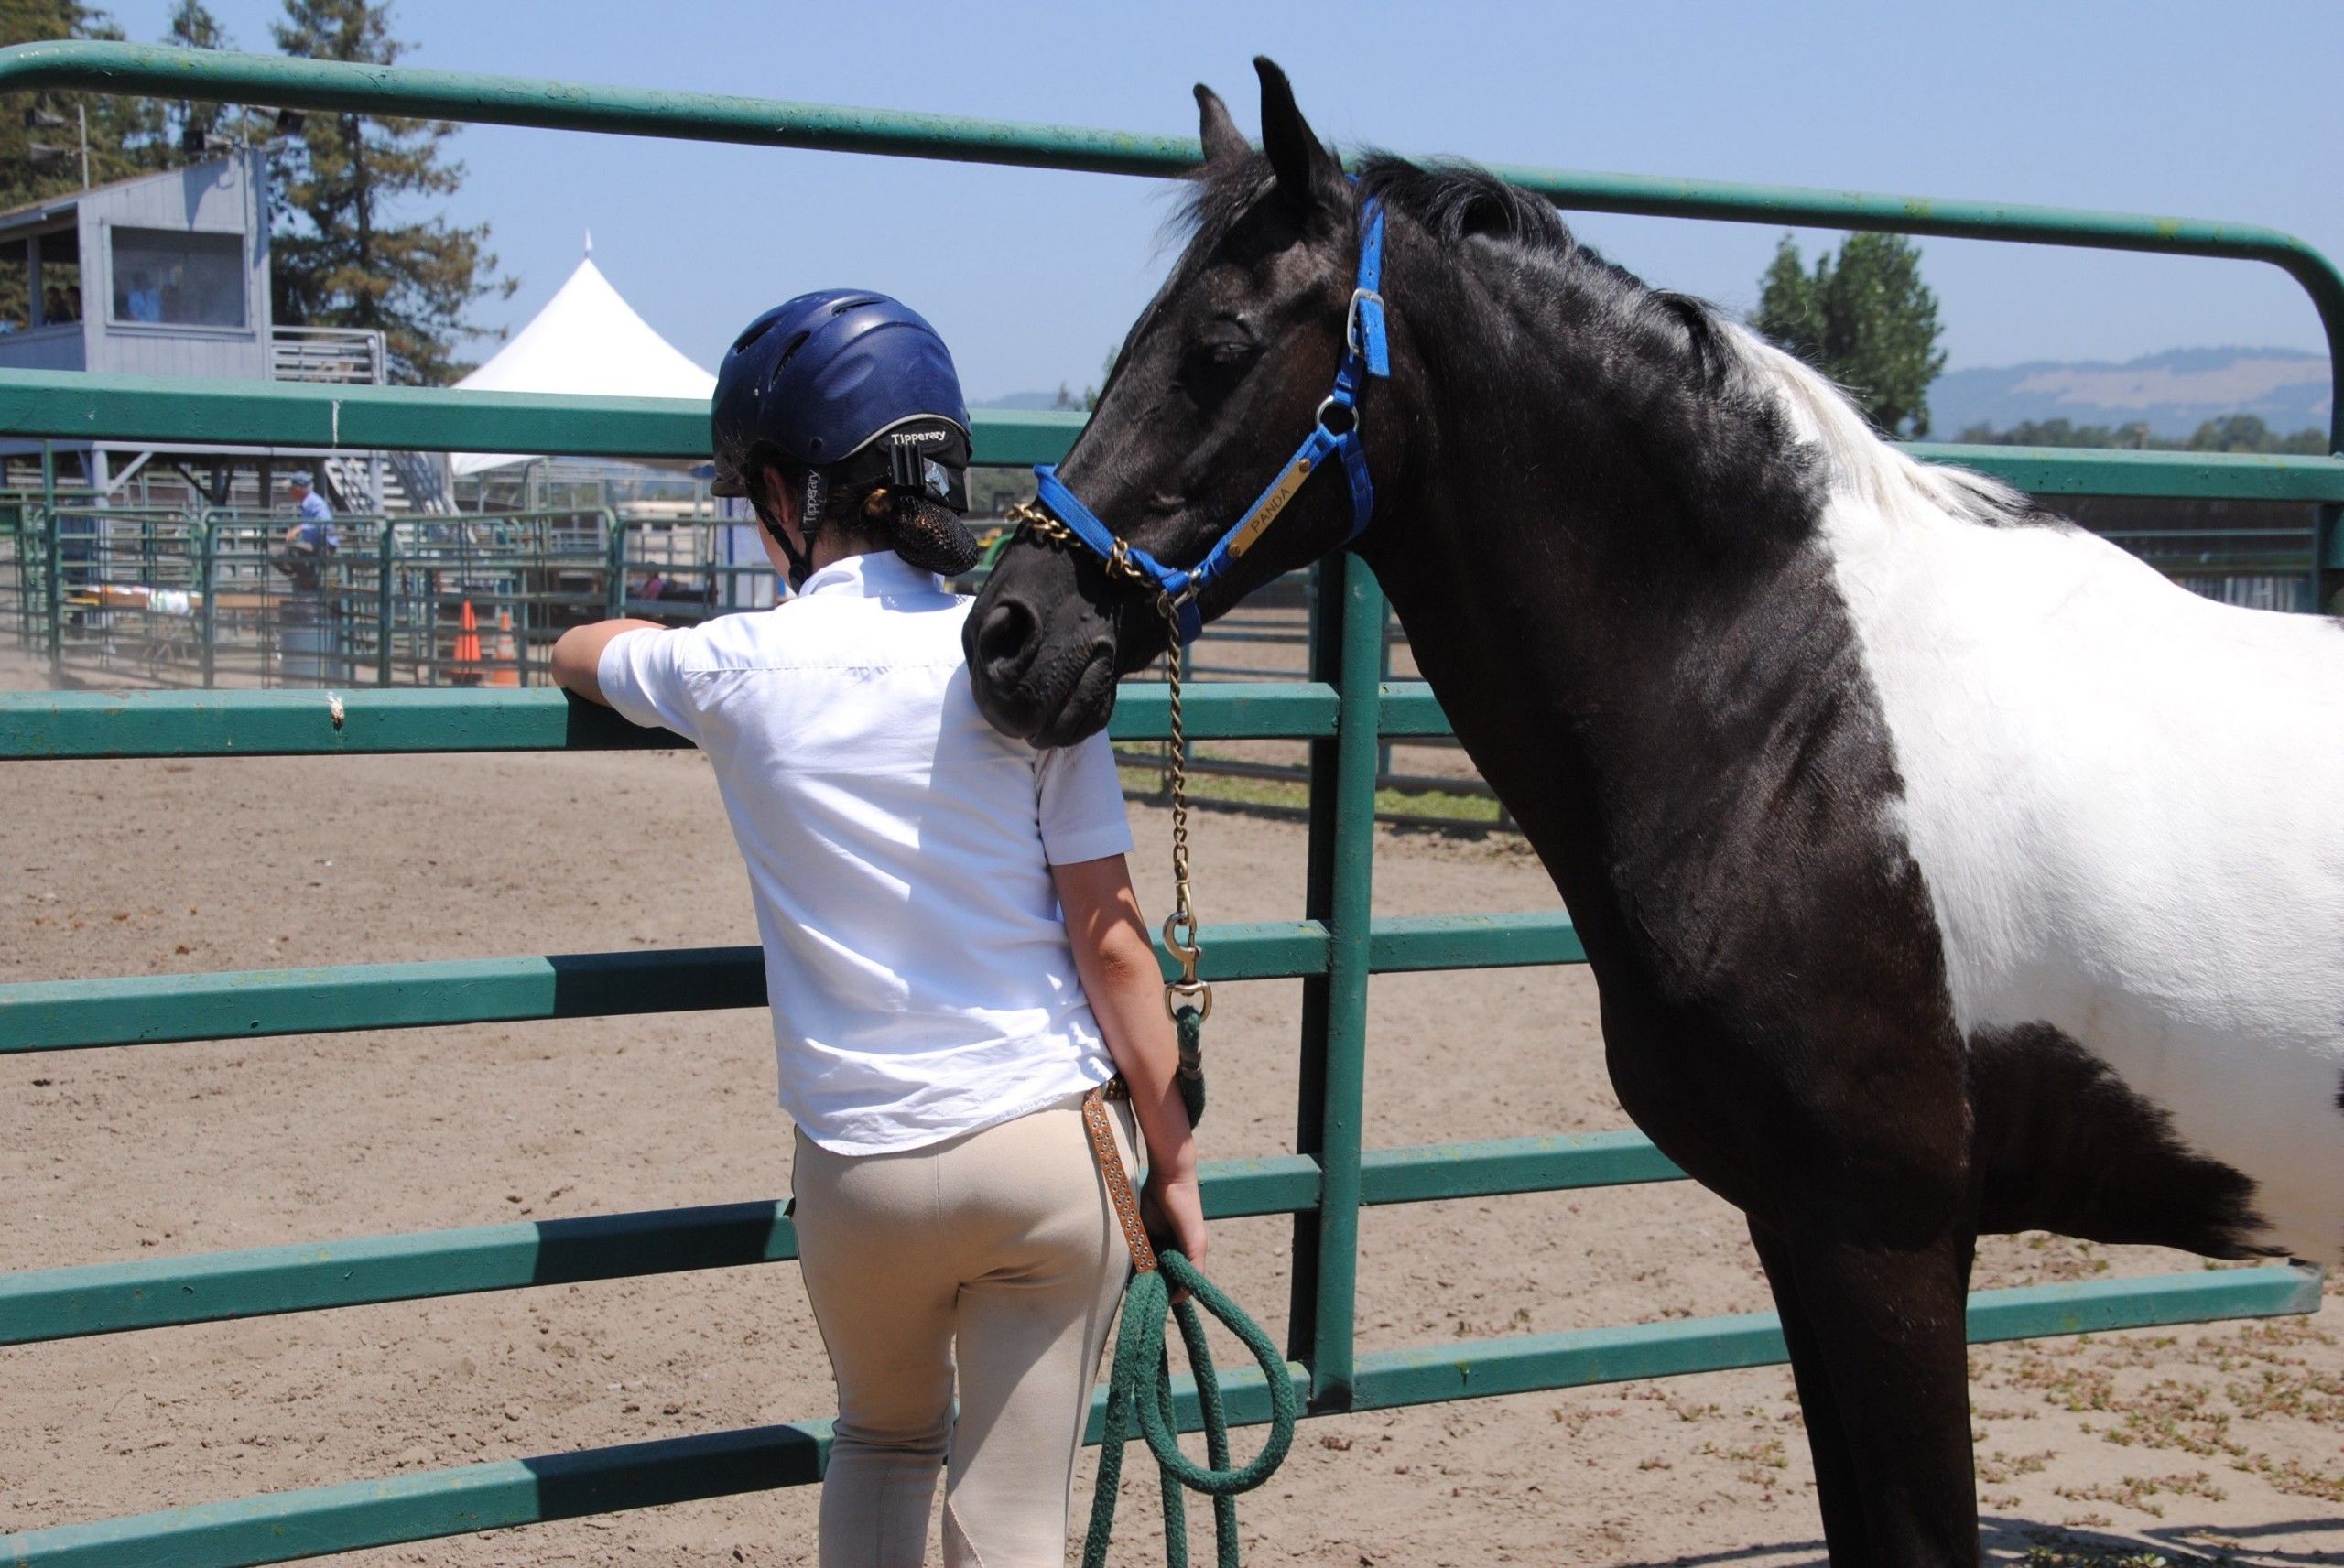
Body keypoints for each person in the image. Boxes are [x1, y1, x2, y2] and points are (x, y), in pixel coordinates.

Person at [549, 292, 1206, 1568]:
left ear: (793, 496)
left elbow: (587, 649)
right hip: (1047, 1151)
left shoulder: (731, 669)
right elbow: (1111, 938)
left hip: (858, 1168)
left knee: (882, 1441)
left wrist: (601, 645)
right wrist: (1170, 1159)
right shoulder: (1021, 669)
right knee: (1013, 1512)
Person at [282, 470, 338, 553]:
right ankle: (302, 565)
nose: (290, 492)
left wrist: (300, 528)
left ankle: (305, 565)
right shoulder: (307, 502)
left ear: (298, 489)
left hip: (324, 545)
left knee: (283, 553)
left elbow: (323, 522)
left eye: (291, 489)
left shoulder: (315, 502)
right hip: (313, 544)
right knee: (284, 552)